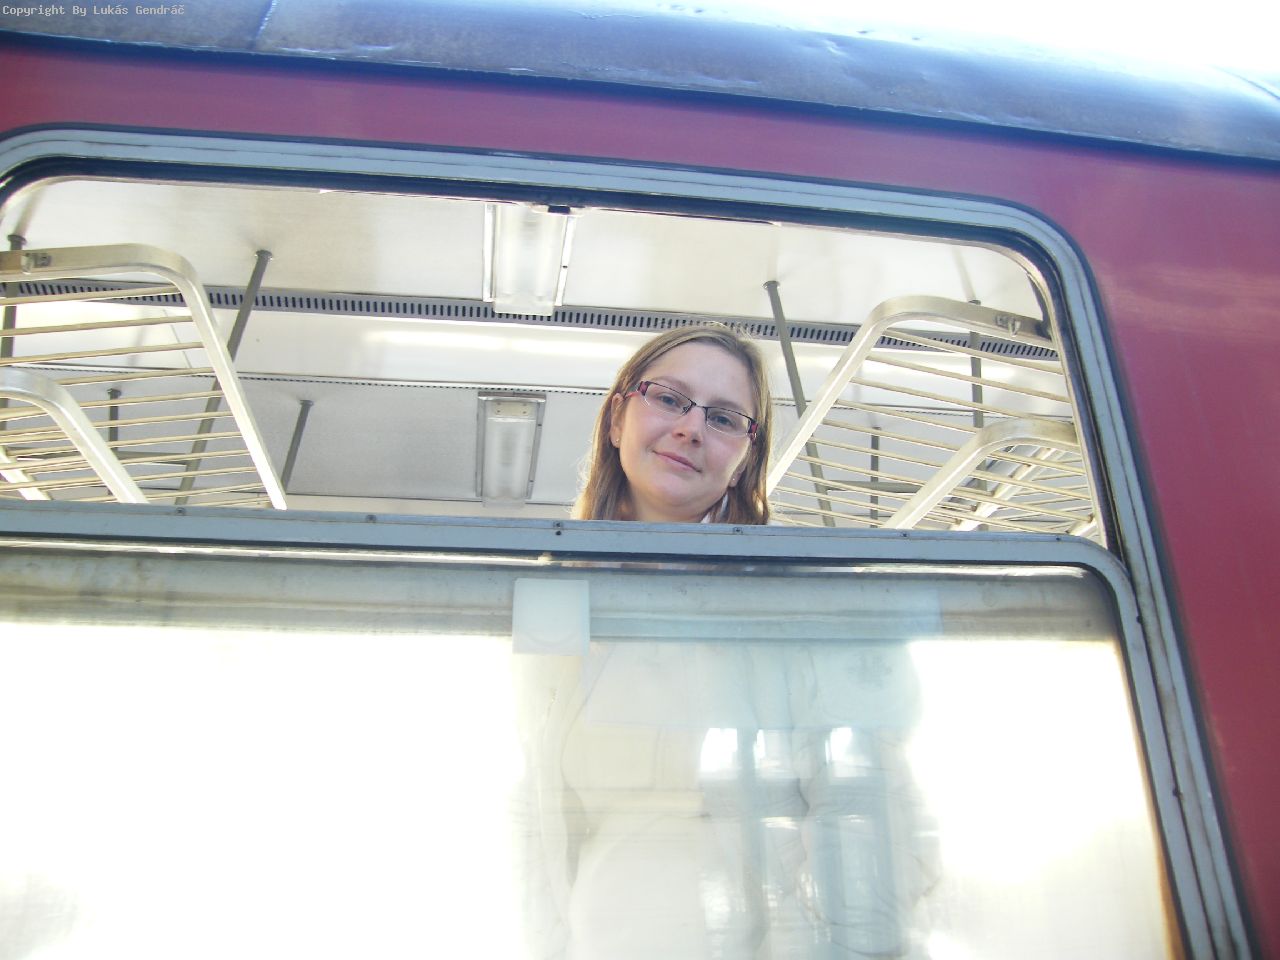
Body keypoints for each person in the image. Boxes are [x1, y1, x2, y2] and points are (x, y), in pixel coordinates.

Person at [574, 324, 773, 524]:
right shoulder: (566, 542)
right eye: (668, 400)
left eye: (722, 419)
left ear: (745, 462)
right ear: (617, 419)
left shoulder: (788, 545)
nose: (691, 430)